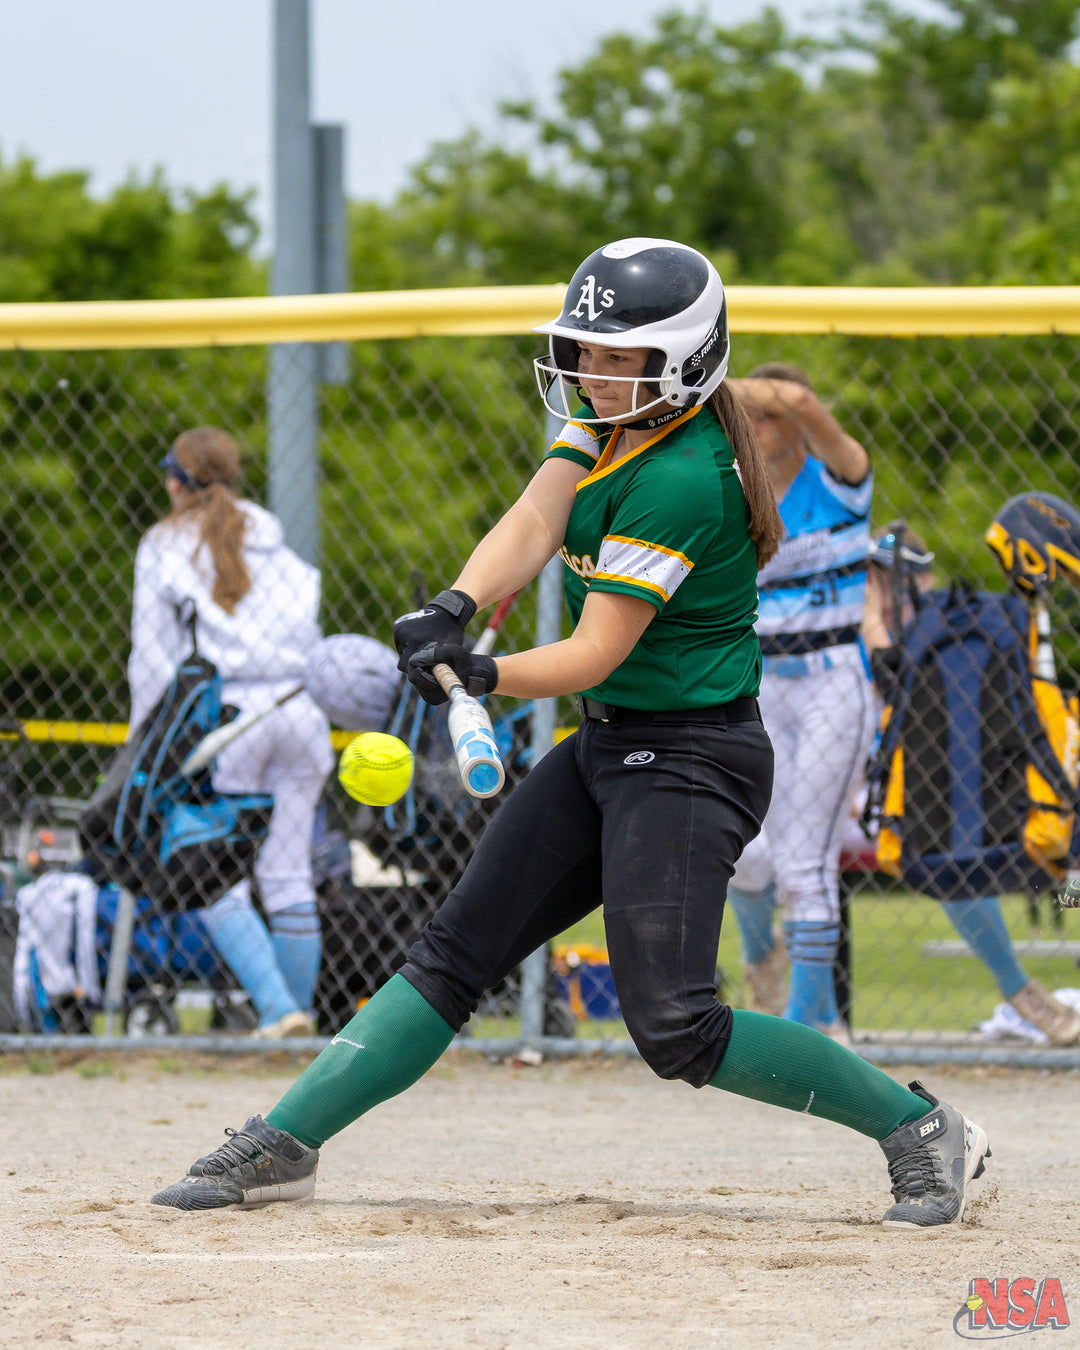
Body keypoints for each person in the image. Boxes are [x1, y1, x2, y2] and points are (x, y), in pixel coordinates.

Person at [149, 238, 990, 1230]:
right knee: (453, 953)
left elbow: (594, 650)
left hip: (690, 761)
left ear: (679, 363)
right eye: (583, 348)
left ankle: (924, 1130)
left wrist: (484, 671)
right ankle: (285, 1140)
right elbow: (538, 517)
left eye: (612, 353)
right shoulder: (612, 418)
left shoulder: (682, 472)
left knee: (676, 1023)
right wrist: (457, 602)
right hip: (607, 749)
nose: (588, 370)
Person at [128, 426, 334, 1038]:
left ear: (176, 479)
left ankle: (278, 1009)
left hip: (224, 722)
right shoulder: (272, 537)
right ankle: (300, 1041)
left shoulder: (164, 544)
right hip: (299, 708)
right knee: (287, 872)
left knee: (209, 869)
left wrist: (147, 742)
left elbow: (153, 658)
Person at [861, 523, 1080, 1046]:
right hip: (863, 800)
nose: (887, 595)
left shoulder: (949, 638)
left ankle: (1024, 991)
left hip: (925, 805)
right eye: (873, 581)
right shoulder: (846, 638)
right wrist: (870, 618)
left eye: (894, 581)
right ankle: (792, 992)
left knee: (953, 844)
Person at [723, 364, 875, 1039]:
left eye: (770, 414)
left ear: (797, 423)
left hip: (830, 681)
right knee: (749, 858)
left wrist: (746, 391)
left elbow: (808, 401)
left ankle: (808, 1032)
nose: (756, 427)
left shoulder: (840, 477)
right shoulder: (734, 489)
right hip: (758, 685)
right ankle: (765, 960)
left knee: (804, 863)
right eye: (746, 415)